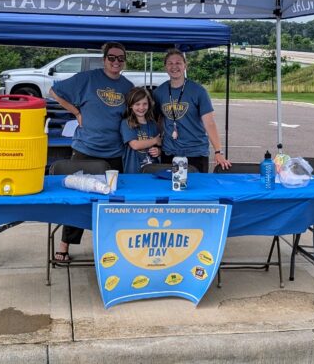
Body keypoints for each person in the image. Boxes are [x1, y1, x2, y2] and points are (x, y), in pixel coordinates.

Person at [48, 42, 133, 261]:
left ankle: (113, 246)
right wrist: (76, 112)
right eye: (112, 58)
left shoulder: (128, 86)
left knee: (114, 202)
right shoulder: (88, 78)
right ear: (104, 59)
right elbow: (54, 91)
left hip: (114, 152)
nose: (116, 62)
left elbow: (136, 113)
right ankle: (64, 246)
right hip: (86, 149)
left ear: (125, 61)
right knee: (77, 201)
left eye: (120, 58)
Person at [153, 48, 231, 173]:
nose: (174, 67)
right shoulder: (159, 92)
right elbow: (158, 121)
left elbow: (209, 123)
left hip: (195, 153)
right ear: (165, 67)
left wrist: (218, 151)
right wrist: (156, 144)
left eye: (178, 63)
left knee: (195, 190)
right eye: (170, 63)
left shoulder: (198, 91)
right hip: (169, 153)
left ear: (185, 66)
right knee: (169, 190)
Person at [120, 87, 161, 174]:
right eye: (137, 104)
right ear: (131, 105)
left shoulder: (153, 124)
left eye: (145, 104)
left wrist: (158, 151)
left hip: (152, 172)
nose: (141, 107)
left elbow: (159, 144)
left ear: (149, 104)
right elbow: (135, 145)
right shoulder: (127, 123)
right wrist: (155, 140)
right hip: (133, 172)